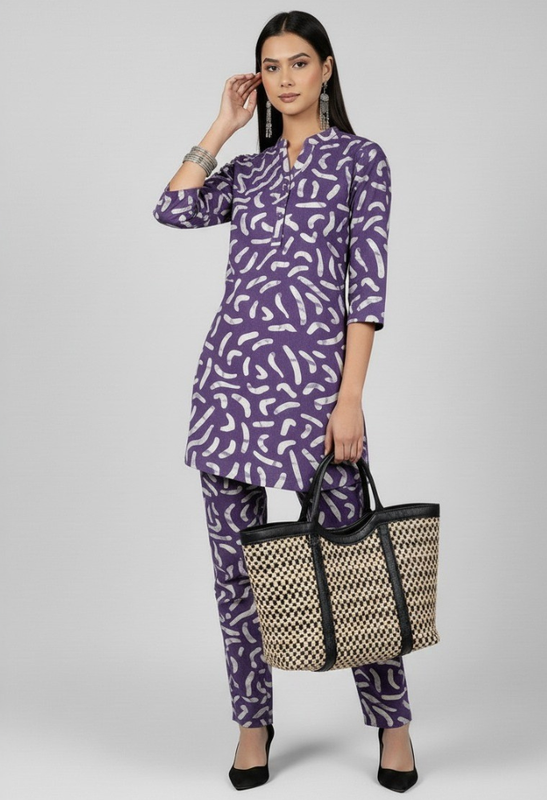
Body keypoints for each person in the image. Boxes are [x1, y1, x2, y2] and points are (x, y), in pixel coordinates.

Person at [152, 10, 417, 793]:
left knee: (354, 565)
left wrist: (351, 397)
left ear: (326, 69)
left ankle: (393, 727)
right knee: (237, 580)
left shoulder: (362, 161)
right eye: (271, 67)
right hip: (229, 393)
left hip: (316, 398)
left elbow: (367, 286)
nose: (286, 78)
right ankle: (253, 723)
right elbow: (173, 207)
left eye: (300, 62)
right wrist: (223, 126)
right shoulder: (252, 171)